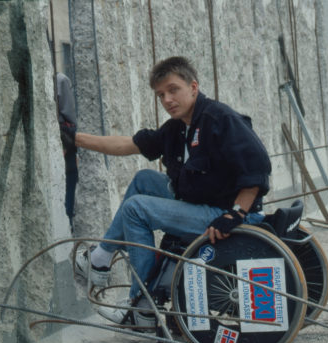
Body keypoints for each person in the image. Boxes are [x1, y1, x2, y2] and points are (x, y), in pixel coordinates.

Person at [69, 56, 271, 325]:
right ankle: (102, 257)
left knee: (136, 209)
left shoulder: (219, 119)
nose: (167, 100)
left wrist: (235, 214)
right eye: (161, 95)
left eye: (173, 90)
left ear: (193, 87)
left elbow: (257, 167)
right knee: (144, 180)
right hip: (201, 201)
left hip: (223, 213)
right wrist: (74, 139)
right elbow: (127, 145)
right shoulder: (178, 128)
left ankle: (142, 305)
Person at [56, 72, 78, 232]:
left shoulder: (59, 80)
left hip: (61, 142)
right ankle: (67, 226)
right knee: (68, 186)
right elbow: (70, 118)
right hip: (64, 144)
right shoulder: (61, 80)